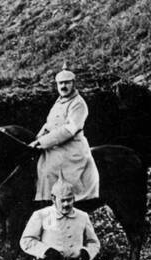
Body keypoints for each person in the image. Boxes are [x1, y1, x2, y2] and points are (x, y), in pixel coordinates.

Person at [30, 68, 99, 202]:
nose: (63, 86)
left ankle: (53, 201)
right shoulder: (59, 102)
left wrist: (43, 142)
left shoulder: (78, 103)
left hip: (72, 148)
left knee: (48, 170)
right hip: (55, 145)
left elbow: (69, 130)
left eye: (67, 83)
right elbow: (49, 124)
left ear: (73, 83)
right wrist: (37, 138)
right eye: (60, 83)